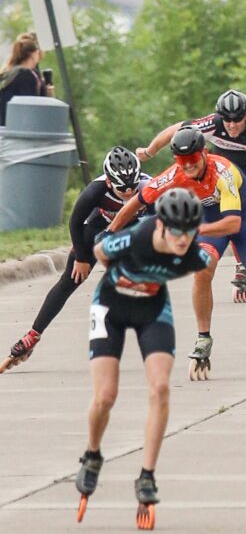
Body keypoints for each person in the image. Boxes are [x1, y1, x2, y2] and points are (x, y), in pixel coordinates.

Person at [75, 188, 211, 530]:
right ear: (162, 226)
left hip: (152, 307)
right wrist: (121, 277)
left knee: (161, 388)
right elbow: (99, 251)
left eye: (190, 230)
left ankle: (147, 475)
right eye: (177, 231)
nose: (184, 239)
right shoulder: (137, 238)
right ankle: (92, 454)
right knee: (106, 395)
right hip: (111, 306)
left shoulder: (193, 254)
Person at [110, 127, 246, 380]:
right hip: (209, 217)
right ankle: (203, 338)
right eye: (181, 163)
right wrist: (110, 234)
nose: (187, 167)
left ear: (205, 154)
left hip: (243, 216)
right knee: (202, 267)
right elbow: (137, 202)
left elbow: (233, 224)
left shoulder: (223, 173)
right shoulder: (175, 173)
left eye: (192, 161)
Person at [0, 148, 146, 373]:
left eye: (132, 187)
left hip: (135, 228)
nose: (128, 192)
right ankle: (33, 336)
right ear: (108, 182)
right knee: (70, 279)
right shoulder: (95, 190)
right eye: (121, 188)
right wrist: (80, 257)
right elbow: (75, 223)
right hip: (100, 226)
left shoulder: (151, 187)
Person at [135, 89, 246, 301]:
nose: (232, 124)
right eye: (227, 119)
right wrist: (150, 150)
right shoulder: (213, 123)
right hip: (221, 171)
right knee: (225, 217)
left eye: (237, 119)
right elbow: (177, 130)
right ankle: (243, 263)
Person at [0, 32, 52, 125]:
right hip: (18, 128)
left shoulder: (10, 72)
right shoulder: (26, 75)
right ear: (33, 54)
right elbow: (30, 105)